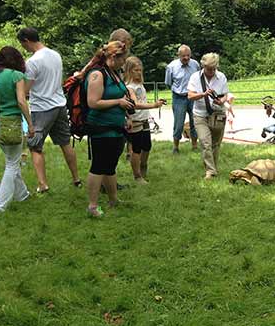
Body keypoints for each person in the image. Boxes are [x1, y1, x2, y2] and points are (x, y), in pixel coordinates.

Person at [17, 27, 82, 193]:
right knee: (65, 143)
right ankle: (76, 179)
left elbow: (26, 90)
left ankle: (42, 184)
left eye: (22, 44)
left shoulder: (32, 62)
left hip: (42, 108)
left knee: (35, 146)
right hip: (60, 104)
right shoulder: (55, 55)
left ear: (26, 41)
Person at [0, 46, 36, 213]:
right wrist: (30, 124)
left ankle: (22, 195)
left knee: (11, 159)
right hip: (11, 123)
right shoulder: (16, 76)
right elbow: (21, 101)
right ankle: (0, 206)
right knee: (12, 163)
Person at [84, 41, 133, 217]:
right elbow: (93, 102)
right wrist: (118, 102)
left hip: (115, 127)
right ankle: (92, 206)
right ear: (113, 57)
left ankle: (114, 199)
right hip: (100, 127)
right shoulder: (97, 74)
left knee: (110, 165)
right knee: (99, 165)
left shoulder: (114, 73)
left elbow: (121, 97)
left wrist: (125, 116)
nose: (124, 62)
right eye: (122, 59)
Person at [187, 53, 230, 180]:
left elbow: (225, 95)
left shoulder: (221, 77)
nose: (211, 72)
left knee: (216, 144)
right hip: (200, 114)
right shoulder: (195, 77)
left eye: (213, 69)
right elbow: (190, 96)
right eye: (208, 69)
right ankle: (210, 171)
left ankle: (212, 167)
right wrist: (203, 94)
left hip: (218, 114)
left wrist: (221, 101)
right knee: (205, 142)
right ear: (203, 66)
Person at [124, 56, 166, 183]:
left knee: (147, 146)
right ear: (129, 71)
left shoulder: (139, 84)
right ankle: (137, 176)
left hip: (144, 119)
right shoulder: (129, 87)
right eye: (135, 70)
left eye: (140, 70)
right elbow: (135, 104)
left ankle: (143, 168)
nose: (138, 72)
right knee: (136, 149)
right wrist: (154, 105)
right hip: (135, 120)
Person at [165, 45, 200, 154]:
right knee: (179, 123)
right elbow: (168, 83)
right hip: (179, 98)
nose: (186, 58)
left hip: (193, 96)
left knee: (195, 122)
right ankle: (176, 147)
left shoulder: (195, 64)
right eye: (183, 56)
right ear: (178, 55)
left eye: (188, 55)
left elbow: (199, 79)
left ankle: (194, 145)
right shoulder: (171, 67)